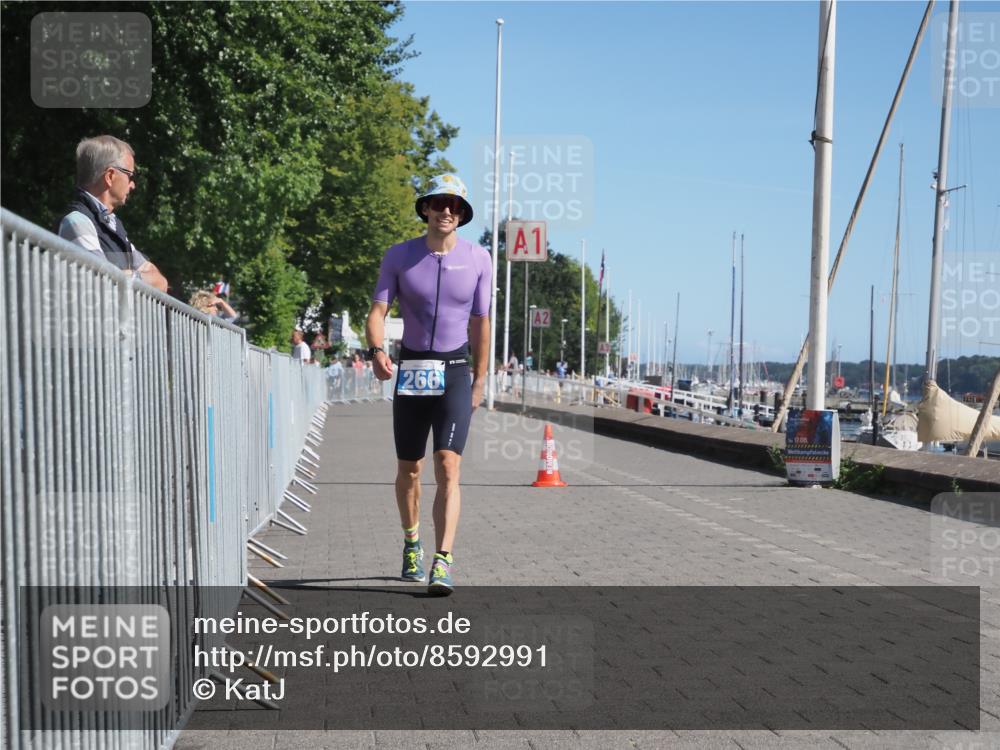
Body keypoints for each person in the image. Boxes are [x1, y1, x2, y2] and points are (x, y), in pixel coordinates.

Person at [366, 174, 491, 595]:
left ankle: (443, 560)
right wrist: (377, 350)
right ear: (425, 208)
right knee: (410, 468)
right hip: (414, 368)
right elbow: (379, 310)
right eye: (439, 203)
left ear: (462, 215)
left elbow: (481, 322)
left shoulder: (479, 259)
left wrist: (479, 380)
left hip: (455, 369)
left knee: (448, 465)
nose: (446, 211)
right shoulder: (399, 256)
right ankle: (412, 542)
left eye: (455, 205)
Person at [58, 135, 168, 292]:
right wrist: (137, 278)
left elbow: (161, 282)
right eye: (130, 175)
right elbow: (103, 282)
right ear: (110, 176)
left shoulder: (113, 226)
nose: (133, 185)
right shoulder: (77, 222)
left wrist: (129, 278)